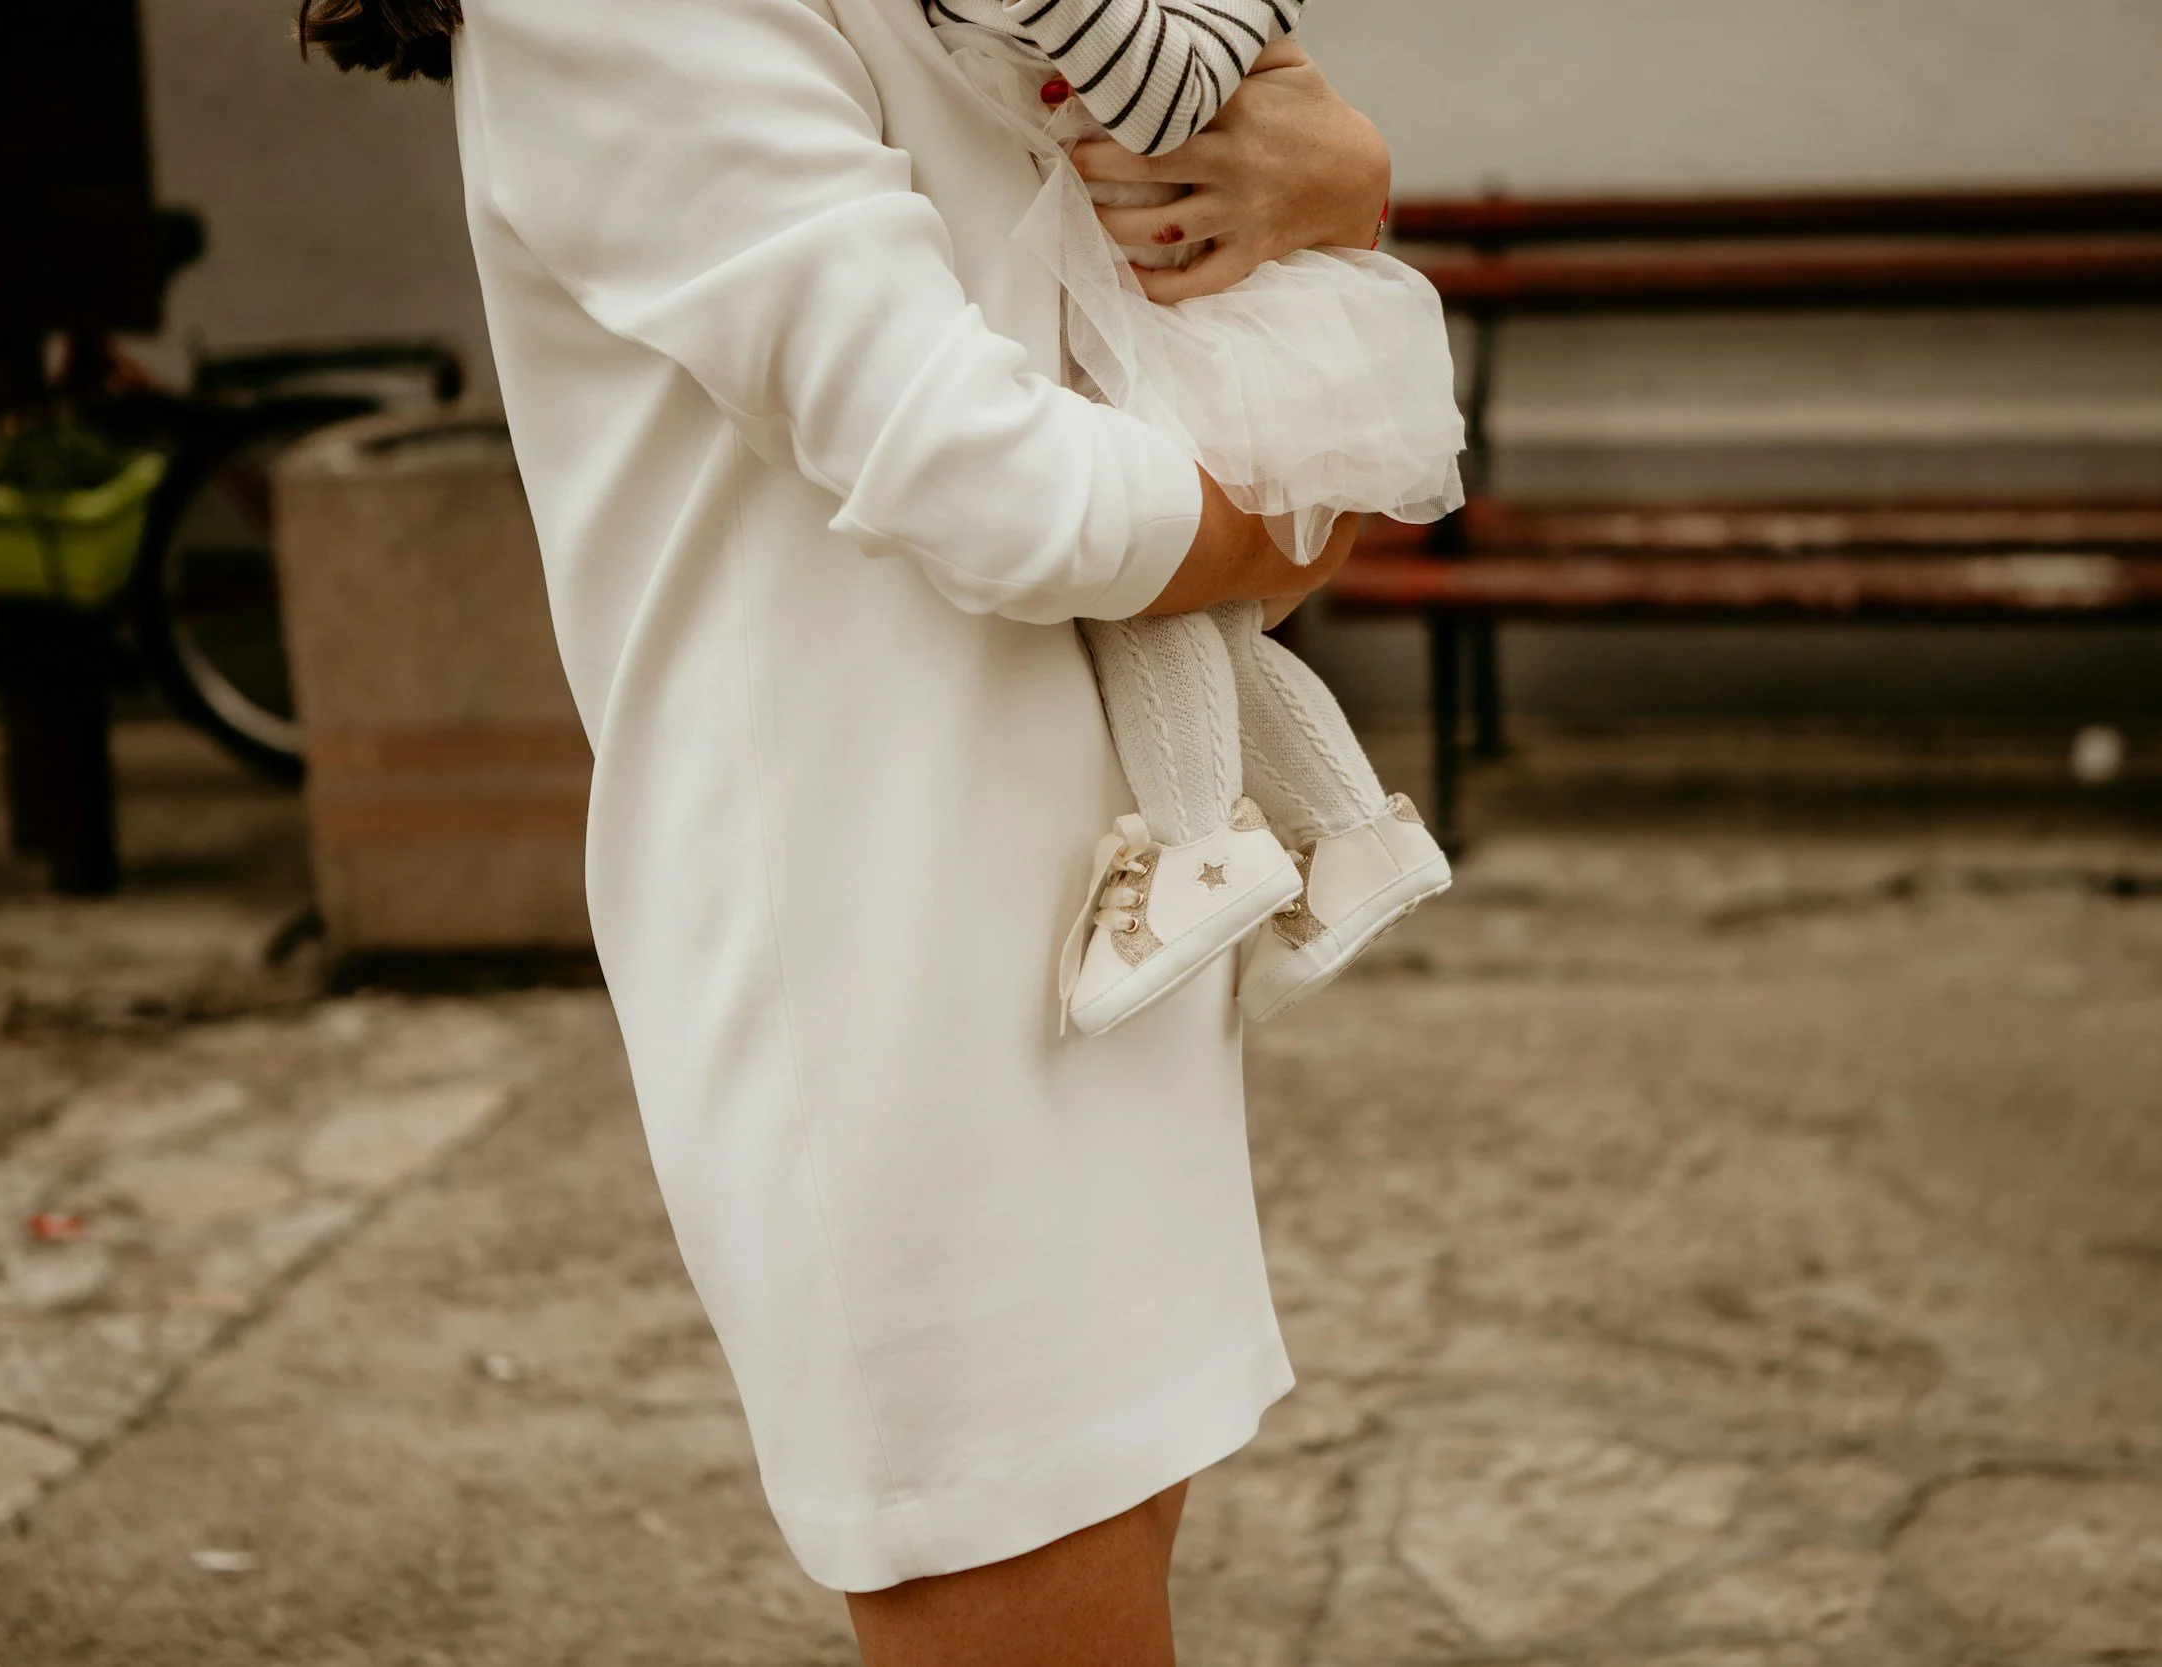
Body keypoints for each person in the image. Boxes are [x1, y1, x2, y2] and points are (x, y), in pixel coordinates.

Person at [299, 0, 1402, 1659]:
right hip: (878, 948)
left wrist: (1332, 191)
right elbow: (1000, 482)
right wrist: (1315, 471)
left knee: (1112, 1550)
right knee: (1023, 1589)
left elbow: (1155, 333)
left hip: (1111, 903)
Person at [929, 0, 1464, 1038]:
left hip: (1199, 317)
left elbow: (1160, 92)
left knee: (1140, 578)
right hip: (1143, 299)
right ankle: (1349, 834)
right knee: (1185, 598)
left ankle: (1194, 848)